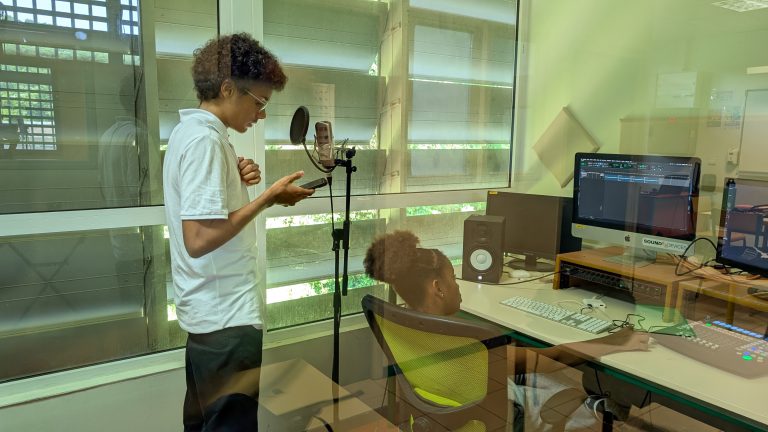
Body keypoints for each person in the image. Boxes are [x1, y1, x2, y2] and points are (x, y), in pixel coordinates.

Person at [163, 33, 314, 432]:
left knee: (202, 424)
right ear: (228, 88)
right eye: (259, 102)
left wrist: (233, 177)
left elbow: (205, 210)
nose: (261, 115)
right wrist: (267, 198)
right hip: (226, 321)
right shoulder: (205, 142)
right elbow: (198, 239)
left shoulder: (190, 134)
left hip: (207, 317)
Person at [363, 230, 650, 431]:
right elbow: (550, 358)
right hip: (488, 417)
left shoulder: (405, 323)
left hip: (442, 405)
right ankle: (598, 408)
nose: (458, 285)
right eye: (453, 278)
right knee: (568, 391)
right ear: (438, 287)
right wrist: (613, 341)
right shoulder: (468, 344)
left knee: (542, 381)